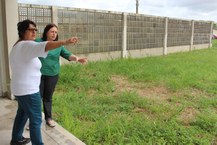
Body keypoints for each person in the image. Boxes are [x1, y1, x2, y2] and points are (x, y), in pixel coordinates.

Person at [9, 19, 79, 145]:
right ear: (22, 31)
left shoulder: (17, 45)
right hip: (29, 90)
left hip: (20, 89)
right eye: (31, 29)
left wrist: (76, 57)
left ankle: (16, 138)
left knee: (22, 114)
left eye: (35, 29)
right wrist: (65, 41)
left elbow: (63, 53)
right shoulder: (27, 45)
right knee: (36, 119)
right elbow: (46, 45)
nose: (34, 32)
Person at [37, 23, 87, 127]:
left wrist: (78, 59)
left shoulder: (59, 45)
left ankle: (48, 118)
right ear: (46, 32)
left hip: (52, 75)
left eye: (56, 32)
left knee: (48, 97)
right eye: (52, 31)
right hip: (38, 75)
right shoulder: (38, 42)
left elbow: (68, 55)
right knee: (37, 98)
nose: (54, 34)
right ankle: (34, 120)